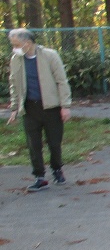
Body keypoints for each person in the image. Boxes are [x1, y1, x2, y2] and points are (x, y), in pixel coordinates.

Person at [6, 28, 72, 192]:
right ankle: (40, 177)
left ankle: (57, 169)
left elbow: (61, 81)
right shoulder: (16, 59)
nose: (14, 48)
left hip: (51, 107)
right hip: (29, 108)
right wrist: (15, 108)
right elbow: (14, 84)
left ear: (28, 43)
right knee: (33, 145)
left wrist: (65, 106)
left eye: (17, 44)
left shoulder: (50, 56)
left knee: (54, 142)